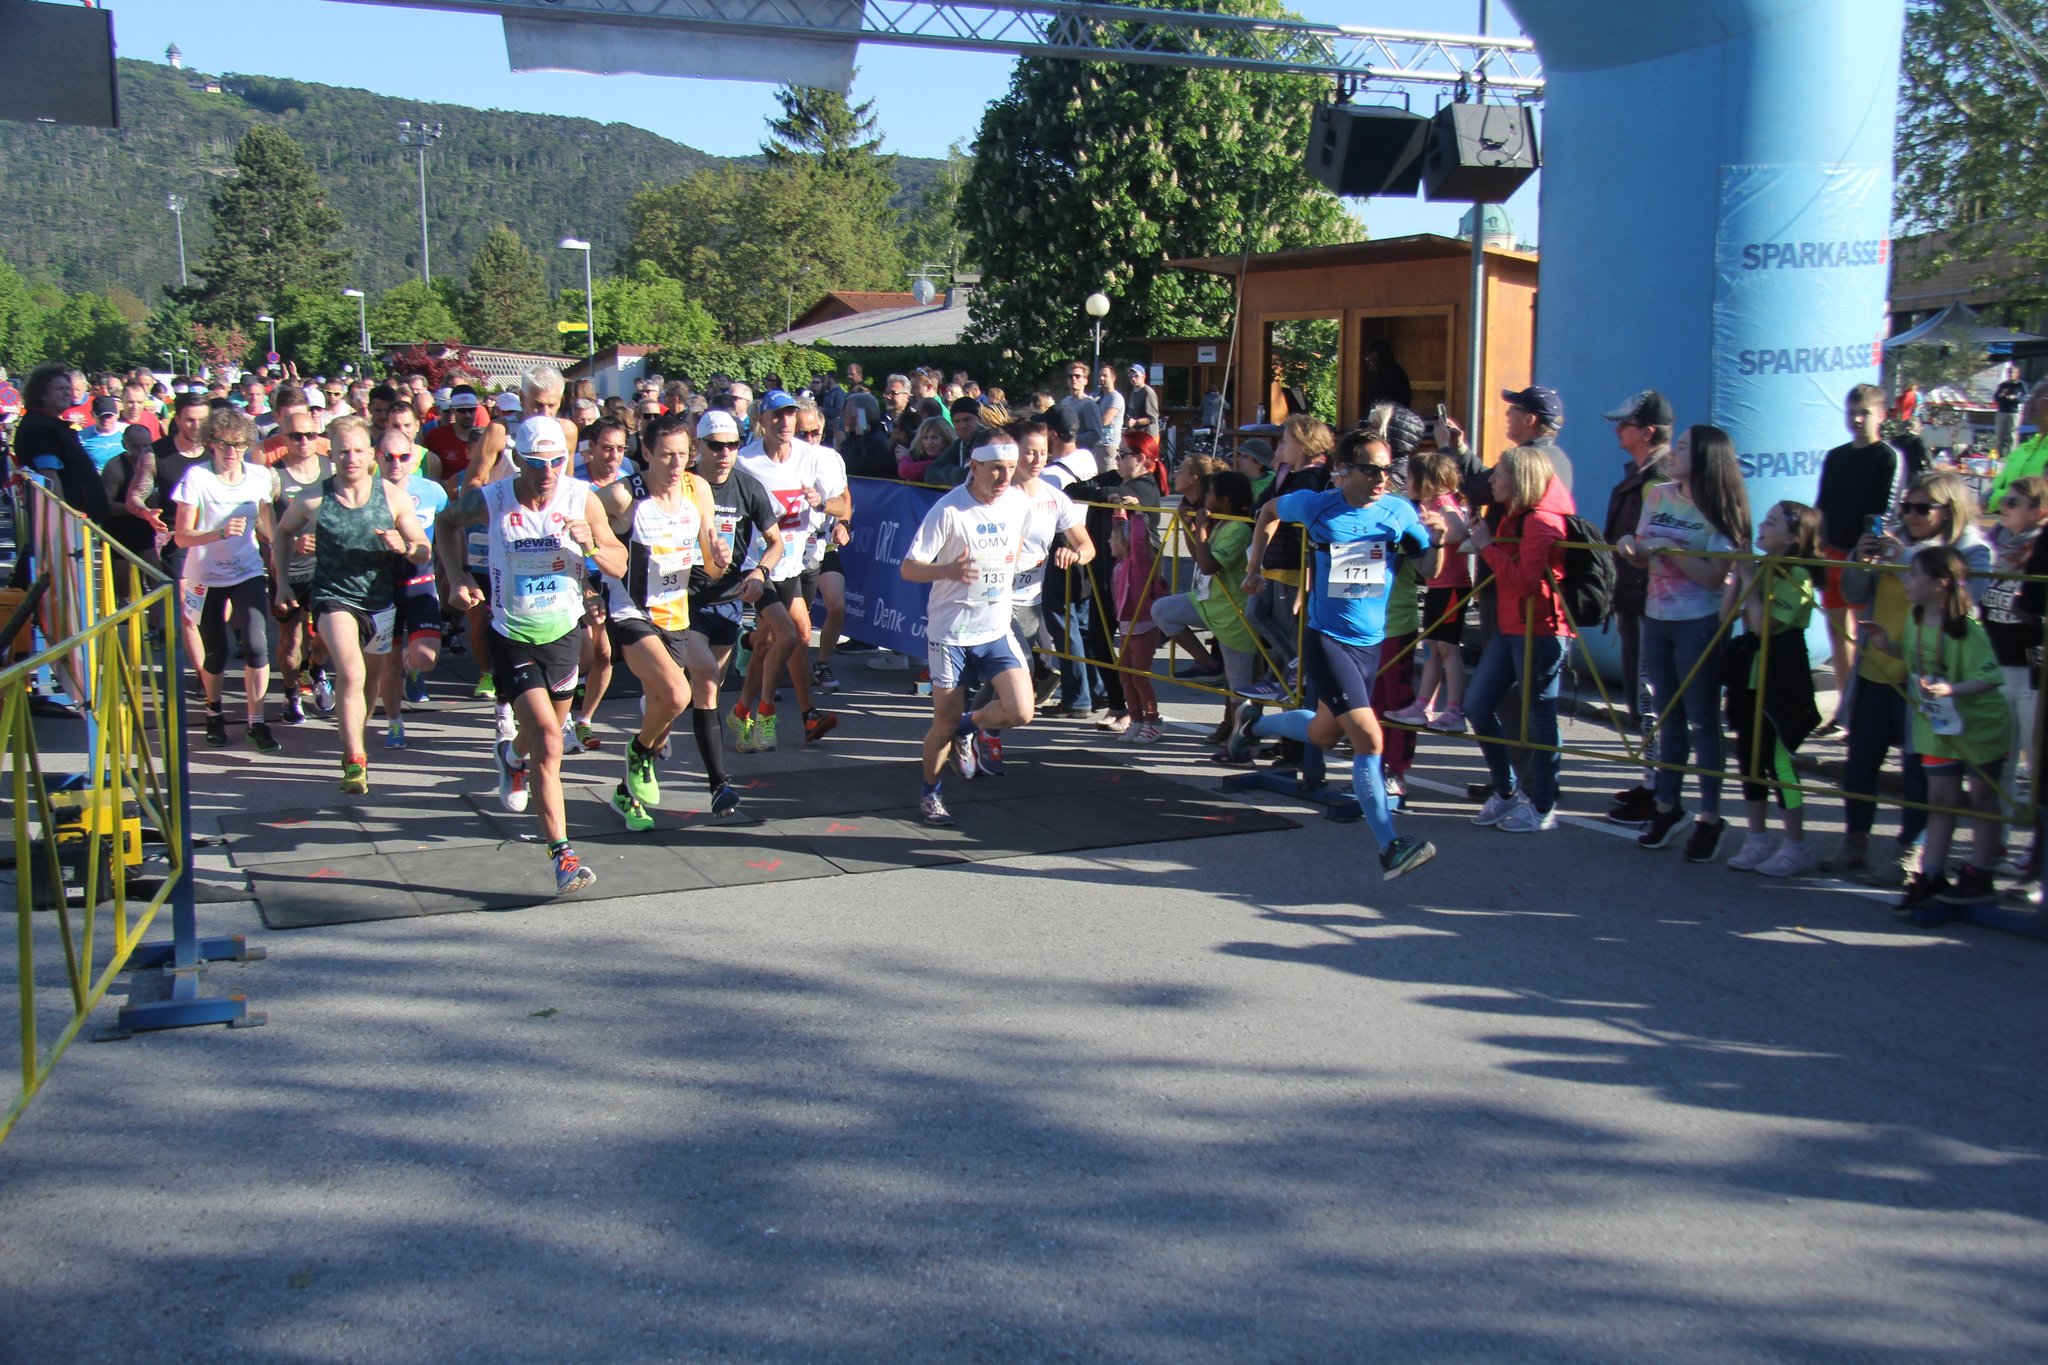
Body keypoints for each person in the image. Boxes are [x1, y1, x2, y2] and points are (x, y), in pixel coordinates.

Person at [1225, 435, 1444, 880]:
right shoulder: (1316, 505)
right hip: (1327, 639)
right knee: (1369, 739)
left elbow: (1429, 571)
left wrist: (1436, 542)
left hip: (1371, 643)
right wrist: (1255, 569)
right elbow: (1267, 512)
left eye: (1388, 469)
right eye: (1371, 470)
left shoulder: (1399, 511)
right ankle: (1390, 846)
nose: (1383, 478)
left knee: (1324, 735)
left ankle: (1253, 724)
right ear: (1345, 470)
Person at [444, 415, 627, 896]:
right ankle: (563, 856)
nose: (547, 472)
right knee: (550, 739)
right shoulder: (493, 498)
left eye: (556, 462)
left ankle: (509, 756)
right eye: (536, 463)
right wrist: (458, 575)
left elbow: (619, 560)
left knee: (537, 735)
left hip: (564, 634)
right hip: (512, 634)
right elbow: (446, 522)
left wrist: (592, 545)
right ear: (518, 461)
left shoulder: (580, 497)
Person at [1826, 471, 1993, 887]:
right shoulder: (1891, 539)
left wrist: (1909, 558)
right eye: (1906, 507)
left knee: (1919, 772)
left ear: (1948, 510)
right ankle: (1854, 843)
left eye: (1923, 508)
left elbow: (1969, 603)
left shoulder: (1971, 549)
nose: (1911, 516)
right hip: (1876, 667)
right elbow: (1853, 594)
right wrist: (1858, 560)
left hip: (1928, 679)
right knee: (1861, 761)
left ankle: (1911, 853)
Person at [271, 417, 432, 792]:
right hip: (333, 597)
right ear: (333, 452)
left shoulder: (391, 496)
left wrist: (404, 547)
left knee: (370, 682)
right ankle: (356, 758)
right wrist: (283, 581)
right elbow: (282, 531)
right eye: (343, 451)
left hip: (379, 599)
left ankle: (353, 742)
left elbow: (423, 547)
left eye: (359, 450)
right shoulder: (313, 497)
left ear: (371, 454)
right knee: (352, 672)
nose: (351, 459)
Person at [1614, 423, 1752, 860]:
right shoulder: (1659, 493)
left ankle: (1710, 816)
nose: (1674, 451)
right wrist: (1629, 547)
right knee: (1665, 716)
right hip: (1655, 615)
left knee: (1702, 719)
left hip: (1699, 621)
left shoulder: (1721, 510)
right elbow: (1639, 541)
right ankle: (1667, 806)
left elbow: (1716, 575)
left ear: (1708, 459)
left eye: (1686, 447)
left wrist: (1667, 551)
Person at [593, 412, 732, 830]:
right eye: (666, 456)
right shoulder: (622, 496)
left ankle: (624, 791)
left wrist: (719, 558)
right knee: (677, 694)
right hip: (630, 612)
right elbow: (576, 524)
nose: (676, 466)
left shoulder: (698, 490)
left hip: (675, 612)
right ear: (647, 454)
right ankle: (638, 751)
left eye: (683, 455)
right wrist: (586, 583)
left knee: (662, 708)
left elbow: (710, 559)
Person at [900, 435, 1041, 827]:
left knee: (1021, 711)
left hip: (994, 627)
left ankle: (968, 727)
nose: (1003, 477)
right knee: (941, 724)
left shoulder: (1017, 502)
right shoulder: (949, 511)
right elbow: (909, 569)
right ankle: (931, 791)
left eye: (1009, 469)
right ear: (974, 467)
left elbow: (1017, 546)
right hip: (950, 634)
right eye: (995, 468)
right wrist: (946, 570)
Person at [1895, 545, 2011, 919]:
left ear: (1940, 584)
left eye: (1912, 574)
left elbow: (1989, 677)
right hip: (1938, 723)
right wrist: (1885, 644)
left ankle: (1980, 874)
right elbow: (1917, 661)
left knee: (1982, 798)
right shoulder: (1914, 619)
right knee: (1940, 799)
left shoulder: (1968, 630)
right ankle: (1930, 874)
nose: (1905, 581)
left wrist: (1952, 689)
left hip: (1978, 724)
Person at [1464, 445, 1575, 832]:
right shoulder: (1514, 517)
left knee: (1540, 716)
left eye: (1499, 475)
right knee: (1476, 705)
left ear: (1520, 480)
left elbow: (1527, 582)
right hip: (1512, 627)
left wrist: (1487, 549)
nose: (1491, 480)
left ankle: (1543, 804)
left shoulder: (1542, 521)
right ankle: (1508, 790)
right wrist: (1488, 545)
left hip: (1541, 629)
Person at [731, 390, 846, 749]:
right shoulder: (744, 461)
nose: (785, 423)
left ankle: (740, 713)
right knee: (790, 635)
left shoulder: (813, 458)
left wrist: (823, 503)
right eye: (777, 416)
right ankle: (767, 714)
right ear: (761, 421)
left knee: (767, 644)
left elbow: (843, 504)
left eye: (790, 415)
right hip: (757, 566)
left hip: (792, 565)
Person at [685, 409, 783, 809]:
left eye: (732, 445)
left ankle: (652, 735)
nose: (724, 453)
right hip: (685, 598)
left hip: (728, 599)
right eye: (715, 446)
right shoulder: (684, 486)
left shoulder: (748, 487)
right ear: (699, 447)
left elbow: (775, 541)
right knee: (705, 678)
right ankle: (718, 784)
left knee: (708, 688)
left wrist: (760, 572)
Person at [172, 407, 282, 753]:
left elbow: (268, 526)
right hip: (204, 574)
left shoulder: (259, 477)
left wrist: (279, 556)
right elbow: (181, 537)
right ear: (210, 444)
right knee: (217, 651)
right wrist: (217, 533)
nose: (231, 452)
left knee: (256, 645)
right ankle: (213, 713)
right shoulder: (197, 477)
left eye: (238, 445)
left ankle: (257, 721)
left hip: (247, 570)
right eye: (223, 445)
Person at [1723, 501, 1825, 877]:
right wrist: (1740, 571)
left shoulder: (1797, 573)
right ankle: (1756, 838)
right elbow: (1727, 615)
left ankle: (1796, 844)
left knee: (1779, 760)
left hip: (1782, 670)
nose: (1762, 527)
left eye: (1772, 522)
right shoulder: (1760, 567)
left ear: (1795, 536)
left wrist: (1749, 576)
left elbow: (1764, 624)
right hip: (1750, 667)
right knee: (1750, 756)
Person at [1599, 390, 1676, 824]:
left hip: (1652, 603)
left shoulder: (1659, 480)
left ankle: (1661, 788)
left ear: (1647, 431)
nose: (1616, 430)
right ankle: (1651, 781)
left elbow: (1655, 543)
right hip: (1634, 599)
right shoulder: (1643, 474)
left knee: (1652, 699)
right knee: (1642, 698)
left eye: (1624, 424)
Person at [1815, 383, 1904, 730]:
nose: (1856, 419)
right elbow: (1822, 505)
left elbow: (1886, 508)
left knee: (1865, 635)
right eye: (1851, 412)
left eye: (1864, 412)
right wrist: (1817, 545)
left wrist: (1870, 551)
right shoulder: (1836, 456)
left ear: (1881, 415)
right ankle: (1844, 710)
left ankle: (1867, 714)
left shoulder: (1888, 456)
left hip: (1863, 558)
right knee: (1839, 634)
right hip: (1831, 553)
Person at [1007, 418, 1096, 712]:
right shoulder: (998, 494)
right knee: (1014, 670)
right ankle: (982, 732)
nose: (1036, 460)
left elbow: (1087, 547)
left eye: (1043, 452)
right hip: (995, 597)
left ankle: (975, 730)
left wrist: (1074, 554)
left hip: (1030, 598)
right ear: (1014, 451)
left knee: (1010, 675)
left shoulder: (1054, 497)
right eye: (1029, 452)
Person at [1982, 474, 2047, 860]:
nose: (2003, 506)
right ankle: (1998, 842)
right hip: (1996, 662)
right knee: (2000, 759)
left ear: (2037, 512)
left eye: (2014, 502)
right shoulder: (1990, 546)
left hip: (2031, 668)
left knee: (2035, 763)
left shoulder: (2040, 550)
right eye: (2004, 499)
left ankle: (2037, 850)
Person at [371, 428, 449, 748]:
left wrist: (453, 576)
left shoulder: (432, 491)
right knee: (386, 665)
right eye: (388, 457)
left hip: (420, 582)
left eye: (403, 457)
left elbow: (447, 531)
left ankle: (413, 667)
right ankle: (394, 723)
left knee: (426, 657)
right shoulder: (367, 493)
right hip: (383, 589)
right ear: (378, 458)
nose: (396, 463)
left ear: (415, 457)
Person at [1383, 451, 1470, 732]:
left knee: (1447, 648)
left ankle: (1455, 710)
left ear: (1426, 480)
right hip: (1436, 585)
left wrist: (1439, 533)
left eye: (1409, 476)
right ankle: (1423, 705)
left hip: (1452, 585)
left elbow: (1457, 530)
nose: (1406, 482)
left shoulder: (1443, 502)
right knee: (1432, 647)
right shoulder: (1428, 503)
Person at [563, 419, 632, 753]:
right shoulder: (574, 487)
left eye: (620, 449)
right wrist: (585, 585)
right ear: (589, 449)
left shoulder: (627, 485)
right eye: (607, 448)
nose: (614, 456)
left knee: (604, 654)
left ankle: (583, 720)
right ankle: (559, 713)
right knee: (587, 654)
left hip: (614, 577)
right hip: (576, 575)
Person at [270, 402, 333, 724]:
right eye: (295, 436)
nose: (303, 442)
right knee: (290, 639)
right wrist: (291, 545)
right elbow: (265, 526)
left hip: (326, 569)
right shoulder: (275, 476)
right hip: (290, 569)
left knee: (326, 637)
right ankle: (291, 693)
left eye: (309, 435)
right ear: (284, 437)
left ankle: (318, 670)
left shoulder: (331, 469)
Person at [1988, 380, 2048, 504]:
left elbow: (2037, 499)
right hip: (2008, 520)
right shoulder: (2023, 450)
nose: (2029, 402)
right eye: (2029, 396)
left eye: (2038, 397)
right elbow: (1995, 487)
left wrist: (1997, 500)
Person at [1057, 359, 1104, 455]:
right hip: (1064, 454)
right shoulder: (1065, 401)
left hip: (1081, 455)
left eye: (1077, 376)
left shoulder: (1089, 404)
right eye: (1071, 376)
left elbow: (1096, 434)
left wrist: (1072, 441)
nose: (1073, 379)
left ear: (1085, 381)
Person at [1993, 364, 2029, 457]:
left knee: (2012, 435)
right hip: (2002, 412)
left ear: (2017, 374)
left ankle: (2011, 455)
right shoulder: (2003, 385)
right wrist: (2003, 396)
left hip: (2013, 412)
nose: (2010, 374)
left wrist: (2014, 398)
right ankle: (1999, 455)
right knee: (1999, 435)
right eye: (2008, 372)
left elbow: (2024, 398)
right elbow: (1996, 398)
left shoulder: (2020, 385)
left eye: (2012, 372)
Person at [1095, 363, 1126, 462]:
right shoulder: (1098, 396)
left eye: (1105, 376)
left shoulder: (1115, 397)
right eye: (1100, 375)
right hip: (1097, 444)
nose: (1101, 378)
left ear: (1113, 378)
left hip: (1109, 445)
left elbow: (1105, 421)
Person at [1124, 362, 1160, 441]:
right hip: (1138, 435)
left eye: (1136, 376)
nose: (1133, 378)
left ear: (1144, 376)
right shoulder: (1133, 391)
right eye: (1130, 376)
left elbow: (1153, 419)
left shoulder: (1148, 393)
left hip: (1149, 437)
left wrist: (1135, 422)